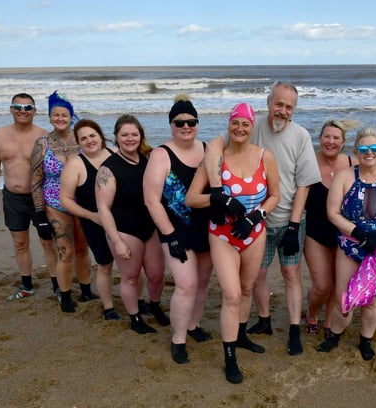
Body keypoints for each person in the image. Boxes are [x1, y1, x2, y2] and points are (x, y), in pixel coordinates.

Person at [203, 81, 321, 356]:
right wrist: (217, 189)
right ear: (268, 103)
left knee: (291, 274)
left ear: (294, 110)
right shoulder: (249, 128)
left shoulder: (301, 136)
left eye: (288, 107)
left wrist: (294, 225)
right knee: (257, 278)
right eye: (278, 104)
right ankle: (264, 320)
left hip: (290, 219)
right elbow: (213, 148)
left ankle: (293, 330)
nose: (282, 111)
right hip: (257, 225)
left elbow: (304, 184)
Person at [186, 102, 280, 383]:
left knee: (247, 288)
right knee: (231, 294)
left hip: (253, 233)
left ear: (252, 128)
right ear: (229, 125)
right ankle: (230, 357)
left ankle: (240, 337)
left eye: (245, 124)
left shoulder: (265, 156)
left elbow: (275, 194)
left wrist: (256, 217)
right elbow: (191, 198)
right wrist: (218, 198)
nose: (239, 128)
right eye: (235, 123)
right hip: (222, 235)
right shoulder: (216, 159)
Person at [316, 127, 376, 360]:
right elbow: (333, 213)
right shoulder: (345, 176)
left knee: (373, 301)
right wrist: (357, 231)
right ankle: (334, 336)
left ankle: (365, 341)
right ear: (356, 151)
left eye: (374, 148)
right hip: (350, 245)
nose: (369, 153)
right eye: (363, 149)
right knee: (344, 298)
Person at [143, 94, 213, 364]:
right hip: (174, 229)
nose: (186, 126)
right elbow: (151, 200)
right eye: (179, 122)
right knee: (186, 283)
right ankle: (178, 338)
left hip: (206, 228)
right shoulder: (161, 155)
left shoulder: (208, 149)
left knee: (203, 282)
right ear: (171, 125)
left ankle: (193, 325)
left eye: (191, 121)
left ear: (197, 122)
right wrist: (170, 236)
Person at [96, 114, 168, 334]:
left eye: (134, 134)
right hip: (124, 230)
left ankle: (154, 305)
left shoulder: (150, 159)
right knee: (130, 276)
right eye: (124, 135)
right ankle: (135, 318)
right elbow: (103, 209)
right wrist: (116, 240)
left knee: (156, 274)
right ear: (116, 137)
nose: (130, 139)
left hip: (150, 228)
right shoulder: (108, 169)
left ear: (141, 136)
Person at [0, 93, 58, 302]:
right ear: (11, 109)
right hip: (13, 198)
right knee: (20, 243)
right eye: (18, 106)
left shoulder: (44, 135)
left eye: (28, 108)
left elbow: (55, 170)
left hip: (40, 198)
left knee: (47, 242)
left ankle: (57, 286)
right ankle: (26, 286)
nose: (22, 111)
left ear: (35, 112)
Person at [31, 91, 94, 313]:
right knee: (65, 252)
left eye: (64, 115)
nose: (60, 118)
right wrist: (39, 213)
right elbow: (36, 179)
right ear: (49, 117)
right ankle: (65, 295)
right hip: (55, 204)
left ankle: (86, 289)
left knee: (83, 249)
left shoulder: (82, 140)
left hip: (83, 203)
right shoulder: (42, 143)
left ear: (71, 116)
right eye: (55, 115)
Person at [59, 119, 122, 320]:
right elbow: (66, 200)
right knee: (105, 264)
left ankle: (138, 303)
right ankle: (108, 308)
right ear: (78, 142)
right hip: (94, 221)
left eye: (92, 135)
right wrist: (92, 216)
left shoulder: (116, 154)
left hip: (123, 218)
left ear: (101, 135)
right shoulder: (75, 164)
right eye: (83, 138)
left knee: (132, 264)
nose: (89, 141)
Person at [304, 119, 358, 337]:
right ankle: (312, 314)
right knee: (321, 286)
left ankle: (329, 322)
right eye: (327, 136)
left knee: (339, 286)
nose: (330, 141)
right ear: (320, 138)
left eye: (336, 138)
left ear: (343, 142)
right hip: (315, 232)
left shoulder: (354, 164)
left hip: (345, 234)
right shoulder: (309, 161)